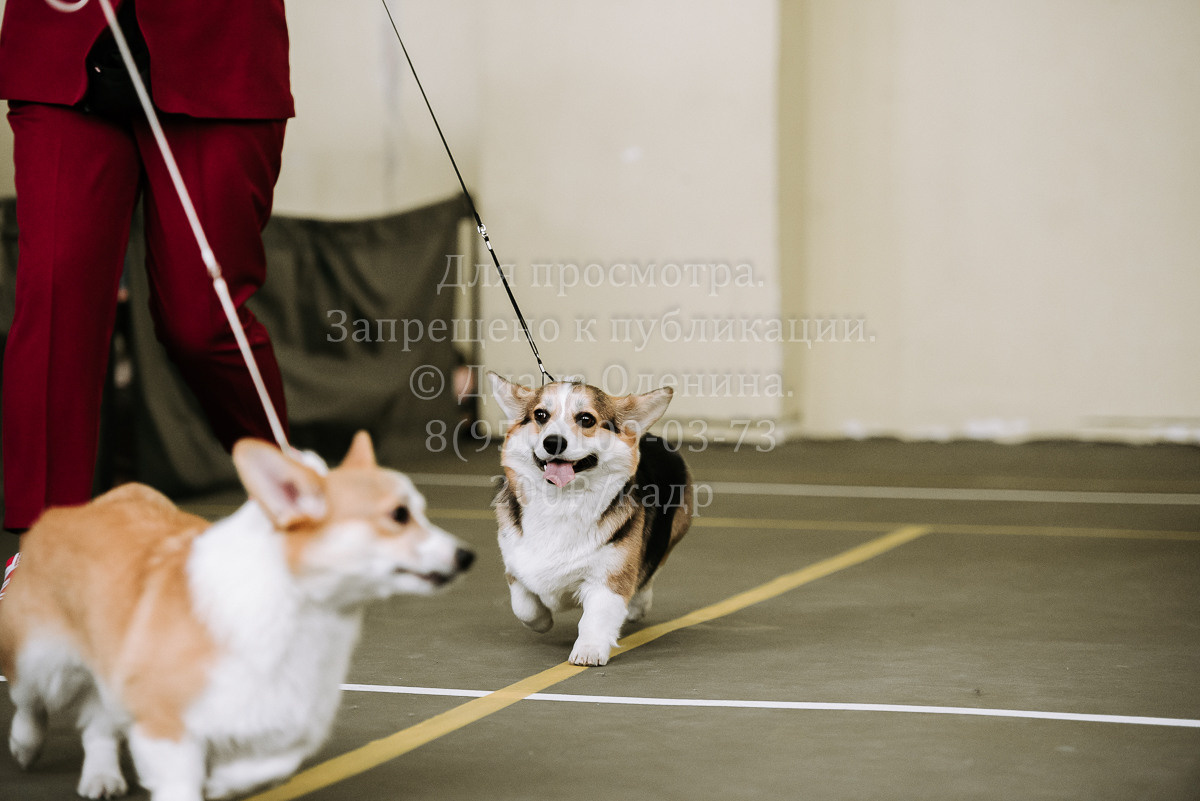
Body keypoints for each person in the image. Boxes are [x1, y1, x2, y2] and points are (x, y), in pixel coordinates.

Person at [0, 0, 293, 533]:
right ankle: (42, 546)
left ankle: (293, 504)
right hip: (64, 50)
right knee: (54, 301)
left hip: (218, 56)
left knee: (201, 321)